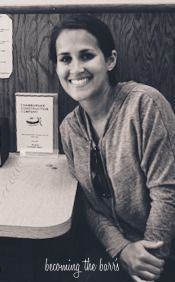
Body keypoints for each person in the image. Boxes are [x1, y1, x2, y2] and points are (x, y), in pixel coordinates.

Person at [53, 14, 175, 282]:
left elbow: (167, 192)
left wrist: (148, 261)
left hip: (163, 253)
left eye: (86, 55)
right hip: (116, 252)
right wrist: (121, 250)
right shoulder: (69, 129)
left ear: (110, 60)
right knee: (52, 271)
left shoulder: (145, 105)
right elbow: (89, 204)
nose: (75, 69)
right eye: (65, 59)